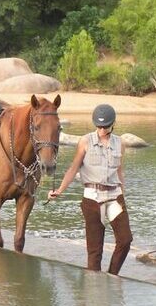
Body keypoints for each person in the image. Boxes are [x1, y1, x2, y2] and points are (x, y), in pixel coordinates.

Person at [47, 104, 133, 275]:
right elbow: (73, 168)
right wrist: (60, 190)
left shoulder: (119, 143)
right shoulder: (85, 141)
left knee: (125, 240)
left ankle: (111, 275)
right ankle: (93, 290)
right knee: (95, 250)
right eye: (98, 126)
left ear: (112, 124)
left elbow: (120, 171)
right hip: (92, 197)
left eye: (105, 126)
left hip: (114, 195)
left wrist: (123, 193)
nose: (101, 129)